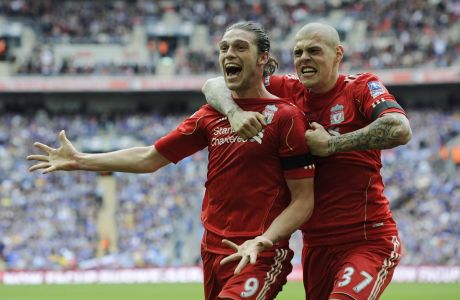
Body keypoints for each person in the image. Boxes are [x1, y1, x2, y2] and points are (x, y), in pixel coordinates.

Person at [27, 21, 316, 300]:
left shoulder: (284, 117)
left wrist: (264, 240)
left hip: (259, 252)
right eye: (224, 48)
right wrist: (80, 160)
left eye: (240, 47)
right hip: (214, 250)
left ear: (263, 57)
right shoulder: (210, 116)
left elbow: (303, 199)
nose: (229, 53)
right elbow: (150, 157)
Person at [202, 22, 412, 300]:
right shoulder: (286, 89)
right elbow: (214, 84)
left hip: (367, 238)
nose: (304, 58)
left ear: (338, 54)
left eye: (314, 51)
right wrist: (232, 112)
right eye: (298, 52)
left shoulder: (360, 87)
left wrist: (333, 144)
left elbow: (399, 128)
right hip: (315, 244)